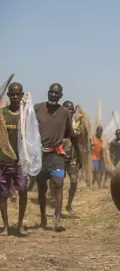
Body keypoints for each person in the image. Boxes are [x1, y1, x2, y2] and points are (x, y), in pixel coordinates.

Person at [34, 83, 81, 232]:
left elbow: (71, 135)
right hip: (40, 156)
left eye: (56, 93)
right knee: (41, 188)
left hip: (57, 156)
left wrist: (79, 154)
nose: (53, 95)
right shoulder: (37, 109)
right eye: (51, 92)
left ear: (61, 96)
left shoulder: (64, 113)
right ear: (48, 93)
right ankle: (43, 217)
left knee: (58, 185)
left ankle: (58, 219)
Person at [0, 82, 28, 235]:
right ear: (9, 95)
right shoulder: (1, 113)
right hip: (3, 161)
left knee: (23, 191)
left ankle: (20, 224)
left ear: (22, 95)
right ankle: (5, 226)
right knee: (2, 194)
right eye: (12, 94)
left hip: (20, 162)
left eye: (18, 94)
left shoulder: (26, 114)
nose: (15, 97)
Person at [62, 101, 81, 214]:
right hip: (59, 157)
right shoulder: (58, 122)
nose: (69, 112)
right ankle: (56, 204)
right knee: (57, 182)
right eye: (67, 109)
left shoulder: (76, 125)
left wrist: (79, 157)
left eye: (71, 110)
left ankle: (69, 204)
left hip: (72, 157)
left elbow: (79, 144)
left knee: (74, 181)